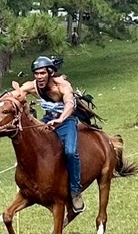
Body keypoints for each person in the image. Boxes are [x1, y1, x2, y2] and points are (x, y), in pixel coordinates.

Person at [15, 56, 86, 213]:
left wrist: (60, 119)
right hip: (47, 120)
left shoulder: (62, 86)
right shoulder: (32, 86)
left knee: (70, 152)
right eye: (36, 74)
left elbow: (69, 104)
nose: (39, 77)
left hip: (66, 121)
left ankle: (75, 191)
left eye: (42, 73)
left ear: (50, 72)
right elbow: (16, 94)